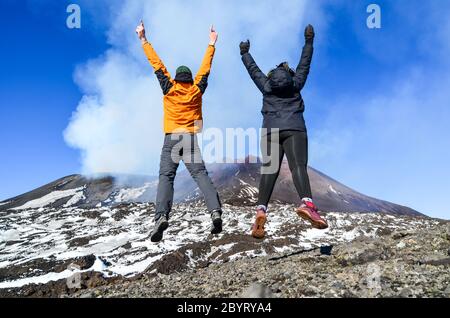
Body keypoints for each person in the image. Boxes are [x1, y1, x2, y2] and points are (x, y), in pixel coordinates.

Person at [136, 21, 223, 242]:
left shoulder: (169, 87)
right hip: (190, 139)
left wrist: (143, 39)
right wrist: (211, 43)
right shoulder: (196, 90)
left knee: (166, 177)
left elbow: (156, 64)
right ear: (191, 79)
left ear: (176, 78)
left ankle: (161, 217)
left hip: (171, 139)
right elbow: (206, 68)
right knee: (200, 175)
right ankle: (215, 211)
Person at [240, 24, 328, 239]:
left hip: (270, 131)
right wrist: (309, 41)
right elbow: (305, 63)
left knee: (269, 170)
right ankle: (307, 204)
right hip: (295, 128)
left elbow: (254, 71)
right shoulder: (296, 83)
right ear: (289, 74)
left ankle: (261, 209)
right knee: (298, 166)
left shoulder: (266, 85)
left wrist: (244, 52)